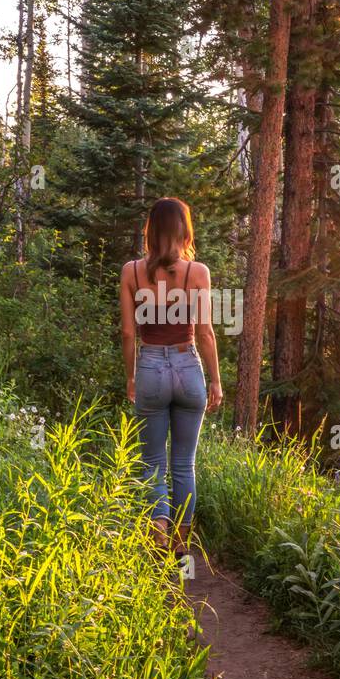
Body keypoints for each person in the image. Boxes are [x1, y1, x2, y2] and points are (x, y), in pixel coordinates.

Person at [120, 198, 224, 558]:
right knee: (184, 463)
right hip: (187, 367)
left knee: (152, 462)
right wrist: (215, 381)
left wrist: (132, 379)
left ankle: (159, 527)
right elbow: (206, 332)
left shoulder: (131, 272)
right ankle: (181, 542)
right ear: (184, 229)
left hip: (149, 368)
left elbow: (129, 333)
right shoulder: (198, 272)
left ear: (151, 230)